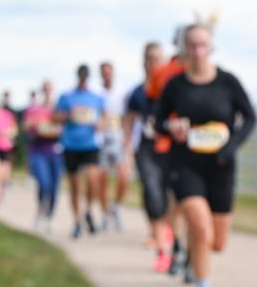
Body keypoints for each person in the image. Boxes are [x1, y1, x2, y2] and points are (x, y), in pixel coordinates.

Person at [155, 24, 257, 287]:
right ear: (184, 49)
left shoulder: (227, 82)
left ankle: (193, 254)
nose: (198, 51)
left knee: (217, 242)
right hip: (186, 164)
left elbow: (250, 118)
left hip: (221, 166)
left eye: (203, 44)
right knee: (200, 227)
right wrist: (170, 126)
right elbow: (158, 120)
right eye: (192, 45)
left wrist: (231, 147)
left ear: (211, 47)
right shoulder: (175, 86)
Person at [125, 42, 176, 269]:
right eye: (151, 59)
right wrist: (127, 148)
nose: (155, 63)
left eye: (159, 58)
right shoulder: (137, 92)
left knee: (170, 192)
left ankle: (168, 231)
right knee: (151, 189)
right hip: (146, 146)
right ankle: (158, 237)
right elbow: (129, 120)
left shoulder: (172, 87)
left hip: (170, 146)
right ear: (144, 62)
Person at [146, 28, 190, 275]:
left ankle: (190, 252)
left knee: (192, 202)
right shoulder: (163, 73)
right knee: (175, 200)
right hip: (169, 146)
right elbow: (155, 107)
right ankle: (176, 246)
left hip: (201, 146)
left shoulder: (211, 73)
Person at [55, 64, 105, 239]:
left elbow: (103, 118)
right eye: (81, 76)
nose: (83, 79)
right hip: (71, 144)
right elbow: (56, 117)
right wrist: (70, 114)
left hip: (90, 144)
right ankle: (77, 221)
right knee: (74, 185)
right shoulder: (66, 96)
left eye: (86, 76)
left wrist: (100, 124)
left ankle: (88, 211)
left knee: (93, 181)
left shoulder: (96, 97)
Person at [97, 60, 132, 232]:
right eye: (104, 73)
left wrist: (127, 140)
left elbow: (127, 117)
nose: (107, 76)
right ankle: (104, 214)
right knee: (102, 181)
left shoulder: (122, 93)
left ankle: (116, 207)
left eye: (109, 72)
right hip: (101, 141)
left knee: (124, 177)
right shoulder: (97, 94)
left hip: (118, 139)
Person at [24, 81, 63, 233]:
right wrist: (39, 124)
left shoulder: (58, 108)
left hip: (55, 151)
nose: (47, 92)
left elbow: (63, 125)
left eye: (50, 89)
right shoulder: (34, 109)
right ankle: (41, 211)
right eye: (45, 89)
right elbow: (27, 125)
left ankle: (50, 216)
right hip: (38, 150)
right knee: (44, 183)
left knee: (54, 187)